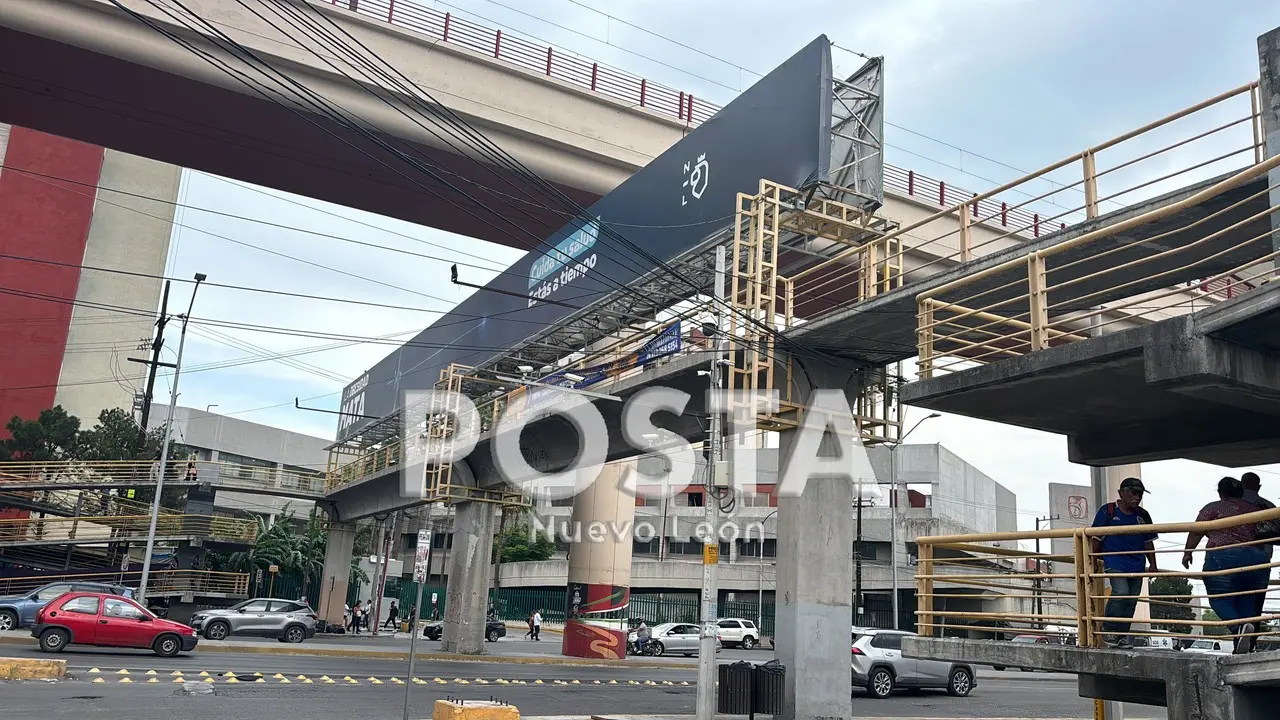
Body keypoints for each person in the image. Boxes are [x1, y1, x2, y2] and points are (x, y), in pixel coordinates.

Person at [1183, 476, 1272, 654]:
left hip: (1224, 556)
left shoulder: (1213, 508)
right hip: (1258, 560)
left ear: (1220, 492)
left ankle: (1237, 629)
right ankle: (1244, 638)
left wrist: (1188, 552)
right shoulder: (1256, 509)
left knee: (1219, 599)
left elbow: (1196, 531)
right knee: (1247, 600)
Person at [1090, 477, 1159, 649]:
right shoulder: (1108, 511)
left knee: (1131, 600)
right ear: (1121, 493)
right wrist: (1093, 559)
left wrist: (1153, 564)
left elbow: (1148, 541)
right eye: (1133, 493)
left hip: (1137, 563)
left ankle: (1121, 635)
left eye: (1140, 494)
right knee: (1121, 592)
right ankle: (1108, 629)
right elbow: (1096, 537)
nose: (1137, 497)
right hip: (1115, 560)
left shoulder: (1143, 515)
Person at [1241, 472, 1275, 625]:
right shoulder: (1269, 506)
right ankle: (1250, 640)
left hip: (1234, 560)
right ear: (1259, 487)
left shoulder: (1233, 505)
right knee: (1256, 602)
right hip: (1262, 560)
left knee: (1234, 600)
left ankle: (1238, 633)